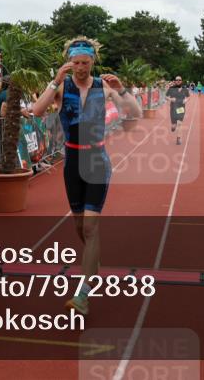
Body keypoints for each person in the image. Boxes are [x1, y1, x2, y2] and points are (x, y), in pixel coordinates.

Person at [31, 37, 141, 316]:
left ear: (93, 62)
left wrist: (122, 90)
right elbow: (37, 111)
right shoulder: (62, 87)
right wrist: (55, 80)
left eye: (85, 62)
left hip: (96, 159)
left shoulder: (103, 86)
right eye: (76, 62)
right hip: (72, 162)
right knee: (81, 228)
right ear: (70, 62)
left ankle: (82, 294)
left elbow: (136, 113)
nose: (80, 68)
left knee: (91, 228)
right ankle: (93, 265)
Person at [166, 76, 191, 145]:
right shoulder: (171, 89)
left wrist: (186, 100)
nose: (178, 81)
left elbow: (188, 97)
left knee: (179, 123)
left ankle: (178, 138)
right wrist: (171, 99)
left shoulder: (184, 89)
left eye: (179, 80)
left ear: (181, 81)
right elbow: (166, 96)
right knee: (174, 125)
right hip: (173, 108)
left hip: (181, 108)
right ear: (175, 81)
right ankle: (173, 126)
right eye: (177, 80)